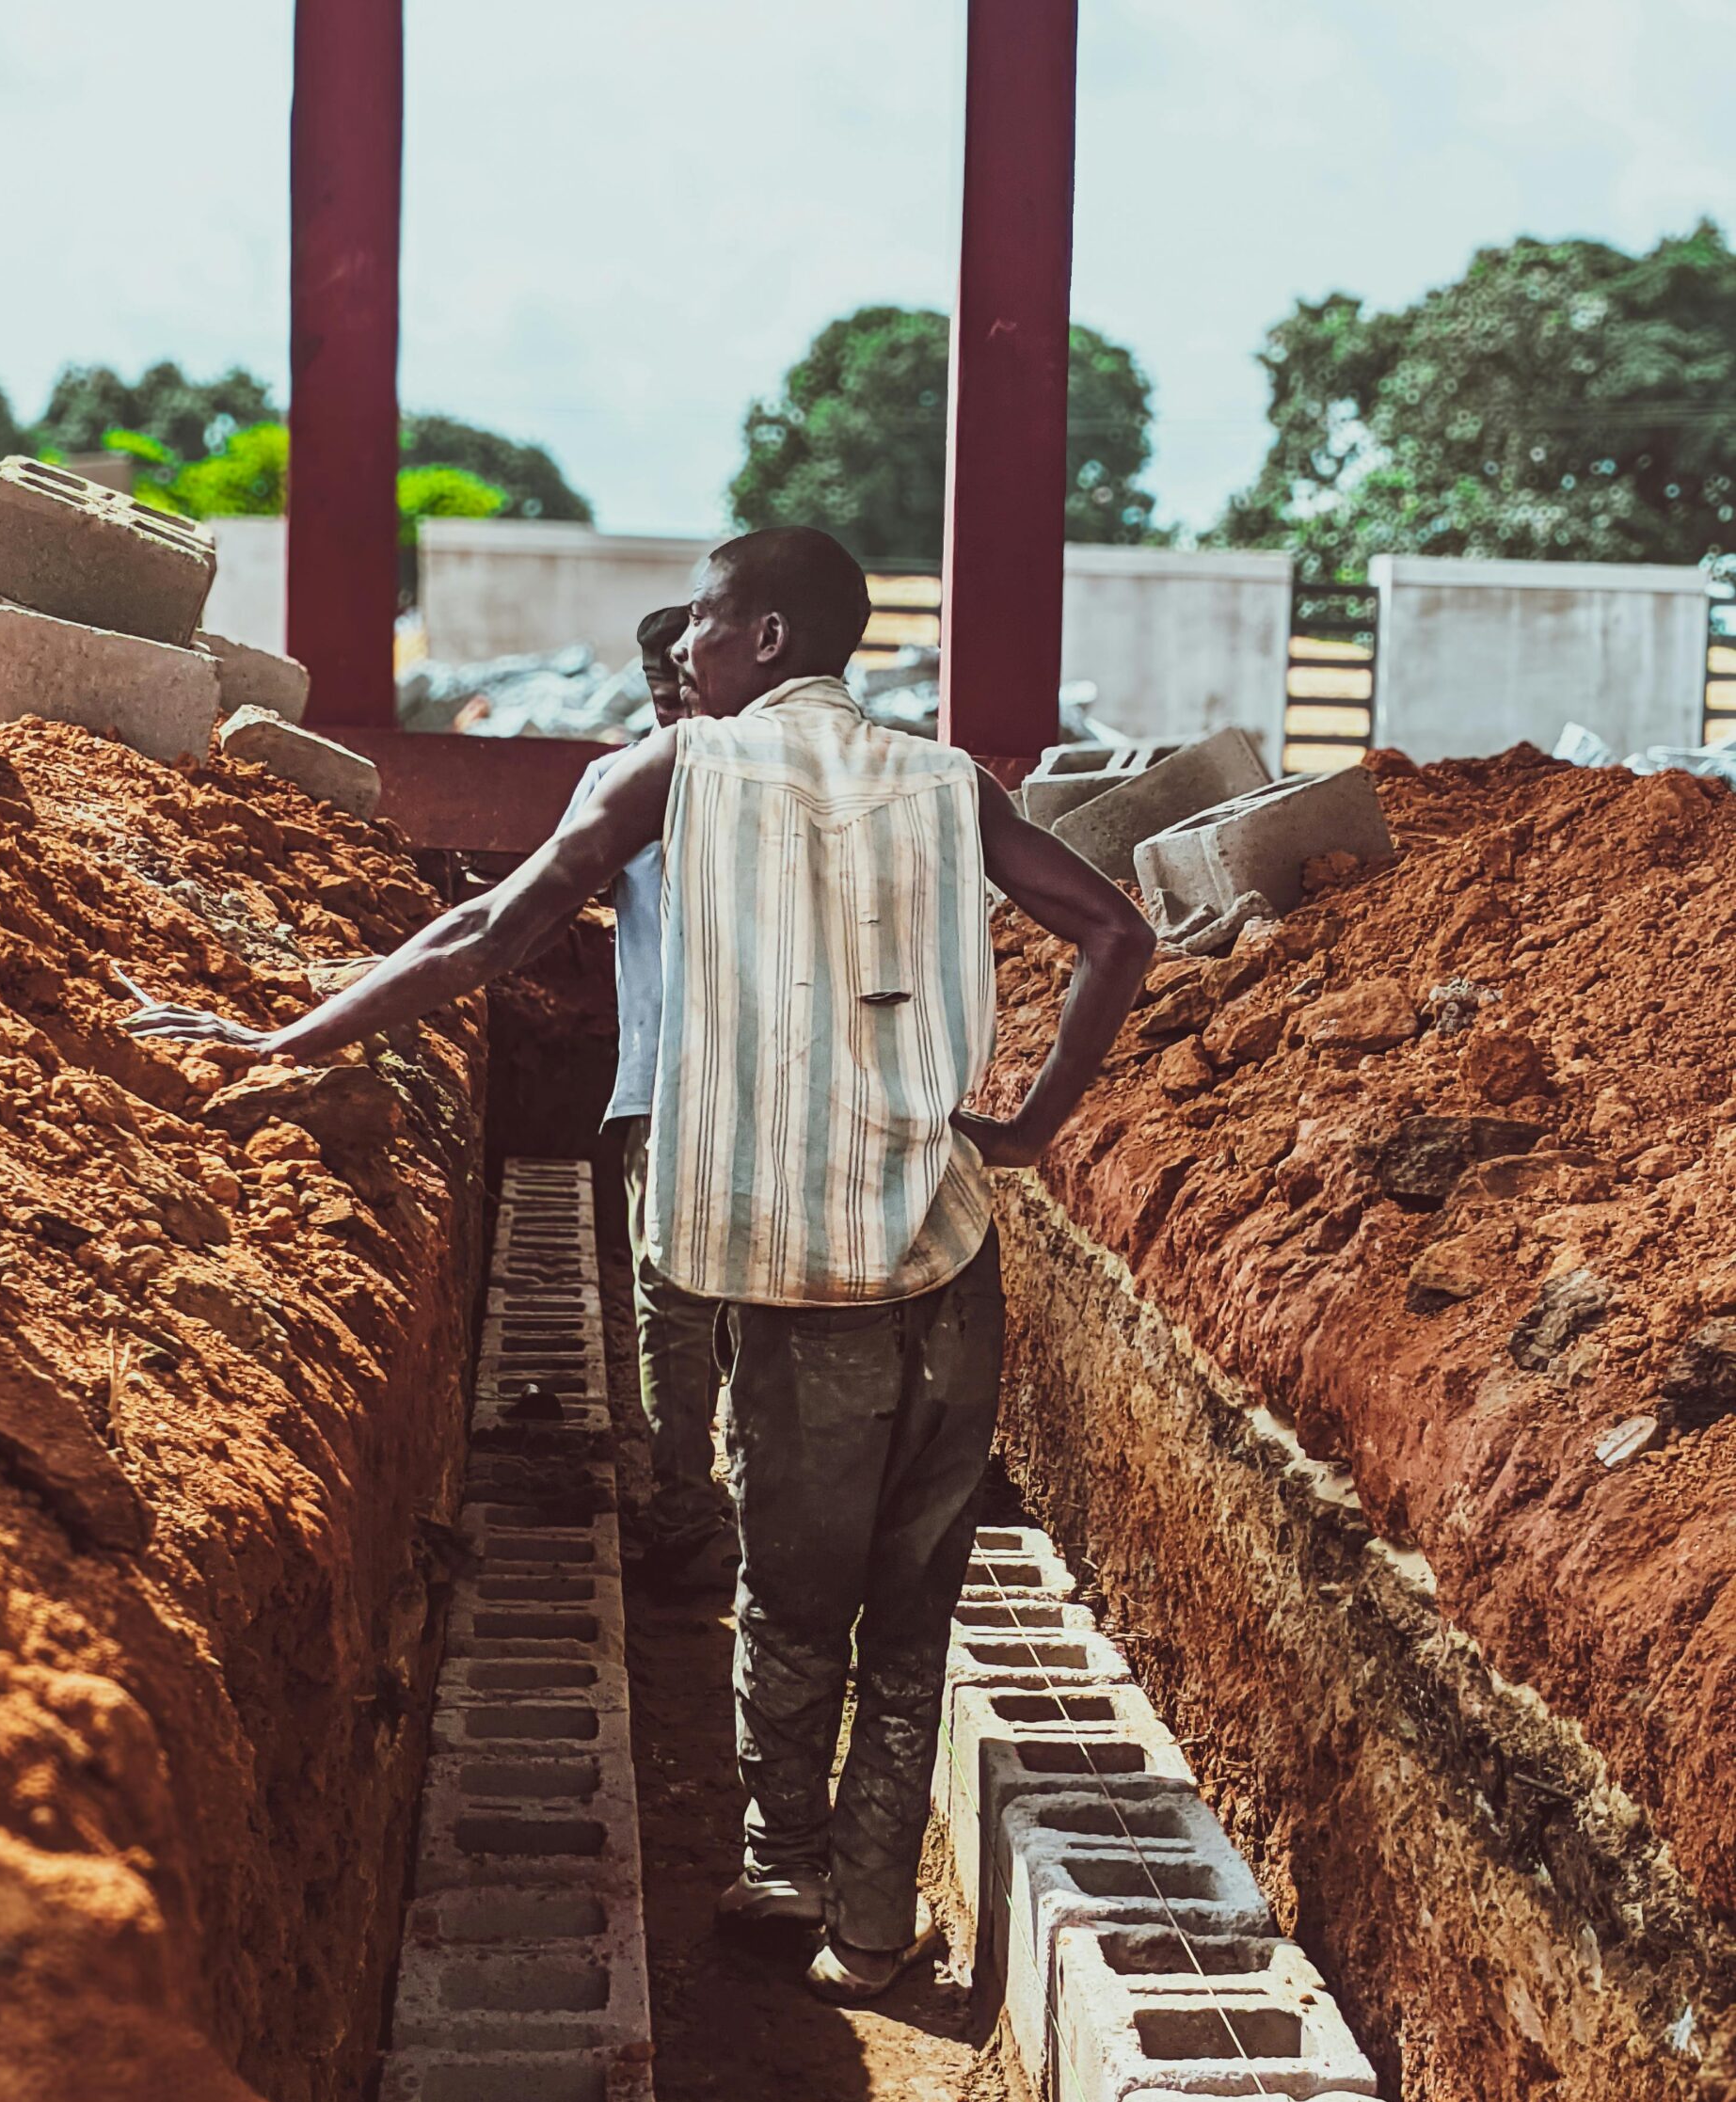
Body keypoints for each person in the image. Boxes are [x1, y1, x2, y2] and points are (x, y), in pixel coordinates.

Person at [123, 526, 1155, 2001]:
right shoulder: (948, 785)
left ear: (772, 642)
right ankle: (873, 1925)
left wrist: (288, 1036)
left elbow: (489, 927)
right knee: (915, 1605)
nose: (688, 654)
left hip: (801, 1281)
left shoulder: (676, 770)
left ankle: (784, 1866)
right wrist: (1033, 1126)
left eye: (713, 629)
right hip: (950, 1259)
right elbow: (1117, 929)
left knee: (797, 1606)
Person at [557, 606, 736, 1598]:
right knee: (671, 1300)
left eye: (683, 677)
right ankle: (682, 1499)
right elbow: (555, 898)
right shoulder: (618, 782)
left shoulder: (762, 774)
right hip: (663, 1080)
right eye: (658, 683)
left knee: (744, 1303)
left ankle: (743, 1499)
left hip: (758, 1084)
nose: (672, 698)